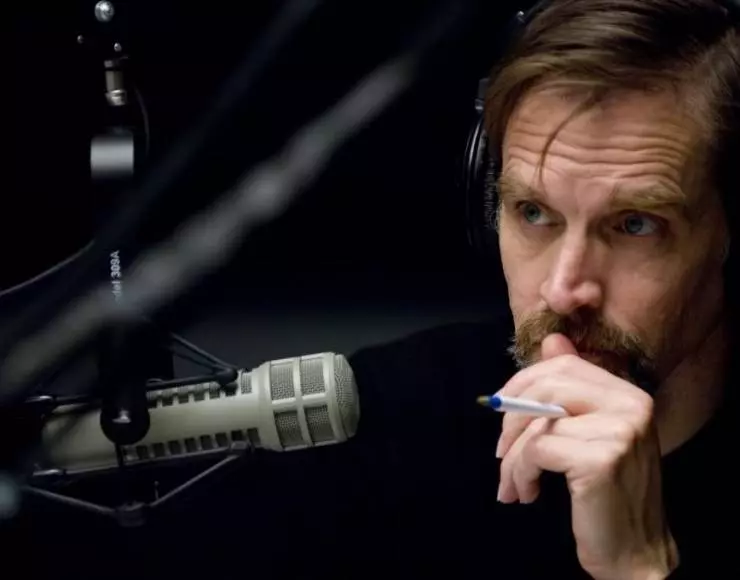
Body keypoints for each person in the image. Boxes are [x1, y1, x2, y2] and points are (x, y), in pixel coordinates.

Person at [7, 1, 739, 578]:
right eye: (533, 213)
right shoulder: (386, 422)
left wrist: (636, 568)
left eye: (635, 225)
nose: (563, 286)